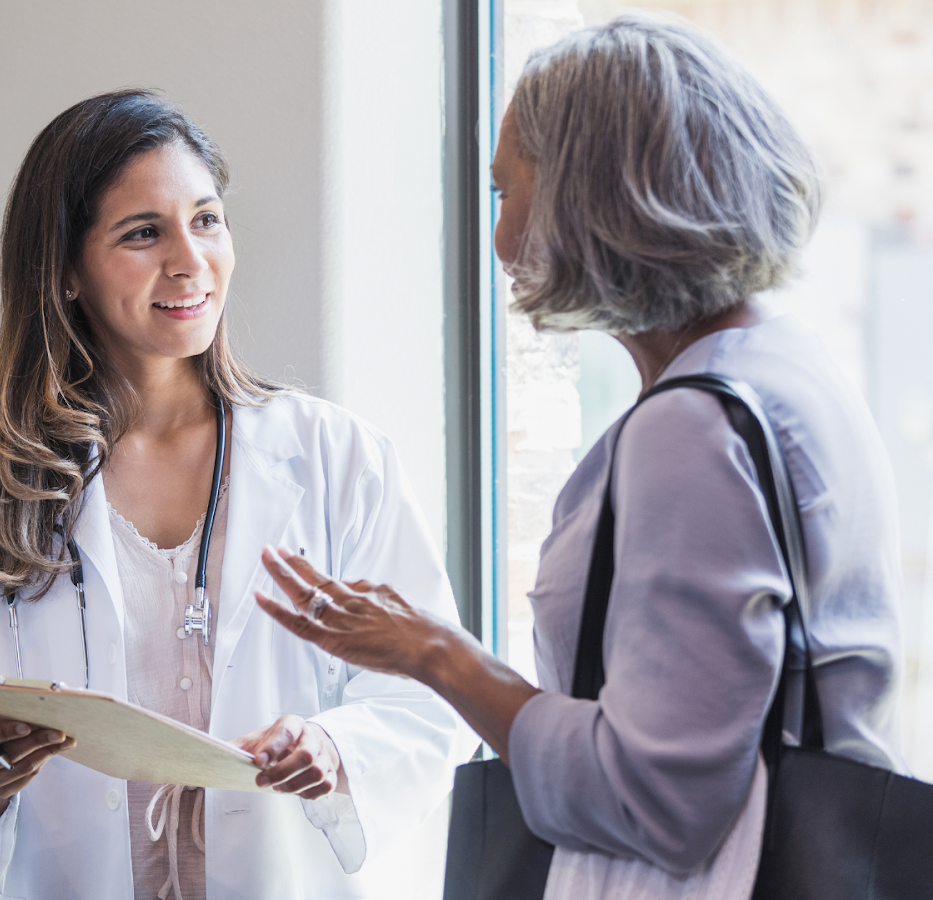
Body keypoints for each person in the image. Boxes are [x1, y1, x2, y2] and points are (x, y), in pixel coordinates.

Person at [255, 14, 908, 898]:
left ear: (590, 193)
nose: (499, 241)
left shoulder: (692, 430)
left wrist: (438, 656)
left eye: (505, 192)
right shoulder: (787, 370)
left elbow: (660, 802)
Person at [0, 90, 469, 900]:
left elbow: (428, 698)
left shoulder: (338, 460)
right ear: (67, 271)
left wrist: (333, 747)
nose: (189, 260)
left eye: (207, 219)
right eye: (143, 233)